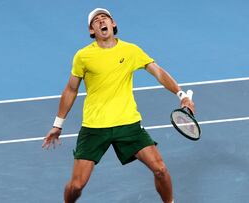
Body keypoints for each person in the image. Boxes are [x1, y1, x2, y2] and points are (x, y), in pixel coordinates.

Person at [42, 8, 195, 203]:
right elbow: (71, 89)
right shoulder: (83, 56)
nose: (101, 21)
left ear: (113, 24)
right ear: (92, 31)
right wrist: (58, 124)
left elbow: (158, 72)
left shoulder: (131, 50)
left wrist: (181, 95)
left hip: (128, 124)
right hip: (94, 127)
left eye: (104, 18)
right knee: (76, 186)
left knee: (161, 170)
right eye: (96, 21)